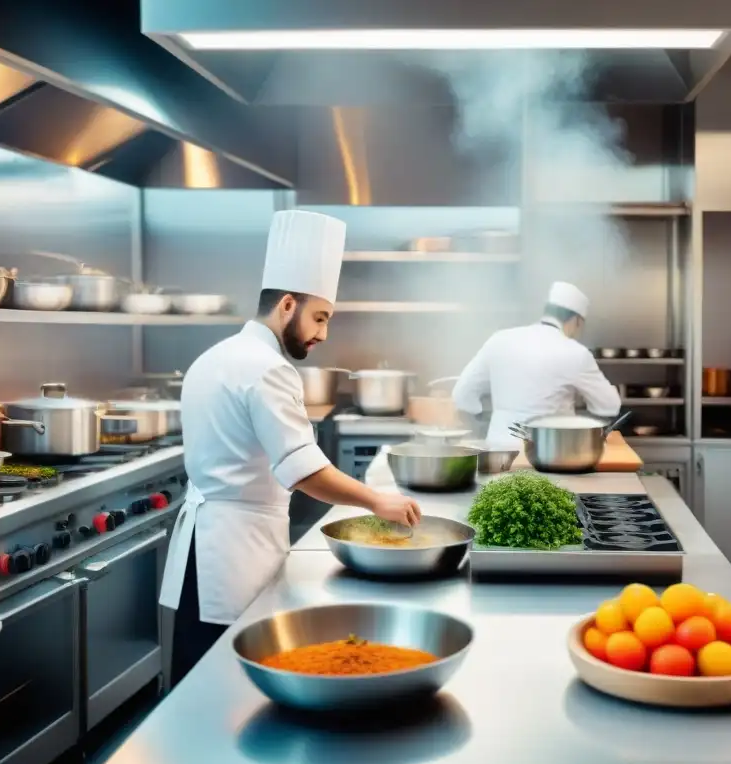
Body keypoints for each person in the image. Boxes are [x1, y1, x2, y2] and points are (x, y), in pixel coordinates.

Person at [159, 210, 422, 685]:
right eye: (319, 317)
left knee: (193, 685)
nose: (323, 333)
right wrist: (377, 499)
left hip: (203, 547)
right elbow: (303, 470)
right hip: (235, 555)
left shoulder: (212, 358)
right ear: (286, 305)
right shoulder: (268, 368)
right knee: (227, 688)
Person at [451, 281, 621, 447]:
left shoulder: (499, 339)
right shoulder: (576, 352)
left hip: (500, 451)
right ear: (576, 321)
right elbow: (609, 406)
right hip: (551, 453)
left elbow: (462, 395)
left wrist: (485, 419)